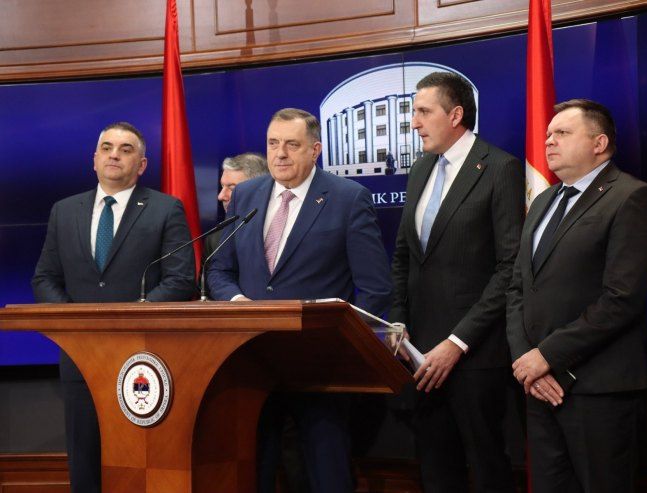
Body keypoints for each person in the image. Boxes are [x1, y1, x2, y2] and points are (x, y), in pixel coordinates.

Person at [207, 108, 392, 493]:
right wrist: (238, 302)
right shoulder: (246, 195)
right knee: (254, 472)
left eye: (292, 144)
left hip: (320, 369)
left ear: (315, 150)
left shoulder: (348, 198)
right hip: (252, 360)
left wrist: (350, 356)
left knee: (325, 474)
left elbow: (374, 289)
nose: (280, 154)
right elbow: (219, 270)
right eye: (273, 143)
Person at [31, 122, 197, 493]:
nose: (114, 155)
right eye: (106, 148)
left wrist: (128, 318)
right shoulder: (64, 211)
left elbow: (180, 280)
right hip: (80, 353)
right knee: (85, 460)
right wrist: (78, 323)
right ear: (94, 159)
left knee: (140, 458)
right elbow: (45, 278)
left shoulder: (165, 209)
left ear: (142, 164)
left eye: (125, 149)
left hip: (144, 355)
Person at [507, 99, 647, 493]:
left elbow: (621, 298)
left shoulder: (631, 197)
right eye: (547, 134)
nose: (549, 141)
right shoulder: (542, 200)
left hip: (599, 390)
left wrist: (547, 356)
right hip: (539, 386)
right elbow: (519, 287)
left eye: (562, 133)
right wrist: (527, 361)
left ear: (599, 143)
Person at [389, 72, 524, 493]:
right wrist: (398, 322)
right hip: (420, 352)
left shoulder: (499, 168)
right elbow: (404, 256)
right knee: (435, 465)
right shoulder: (420, 169)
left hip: (475, 353)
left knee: (487, 466)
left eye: (423, 112)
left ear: (456, 115)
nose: (414, 122)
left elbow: (510, 268)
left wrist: (457, 342)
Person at [203, 152, 268, 261]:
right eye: (222, 186)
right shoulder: (216, 241)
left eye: (232, 188)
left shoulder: (278, 233)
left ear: (259, 189)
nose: (221, 196)